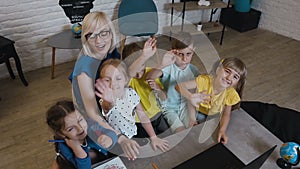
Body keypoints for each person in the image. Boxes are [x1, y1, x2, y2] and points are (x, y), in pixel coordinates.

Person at [71, 11, 157, 160]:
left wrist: (144, 56)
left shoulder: (111, 53)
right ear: (85, 38)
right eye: (91, 35)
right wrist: (120, 137)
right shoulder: (84, 68)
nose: (98, 41)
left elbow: (124, 76)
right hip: (97, 118)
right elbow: (92, 112)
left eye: (103, 33)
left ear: (111, 34)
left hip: (114, 107)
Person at [97, 58, 169, 152]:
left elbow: (143, 116)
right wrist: (109, 102)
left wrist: (154, 137)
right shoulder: (105, 99)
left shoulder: (131, 93)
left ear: (126, 79)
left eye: (118, 78)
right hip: (117, 141)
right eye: (107, 80)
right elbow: (106, 107)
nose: (113, 83)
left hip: (133, 135)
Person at [175, 57, 247, 144]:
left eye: (235, 77)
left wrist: (222, 130)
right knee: (186, 132)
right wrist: (192, 116)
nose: (229, 77)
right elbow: (179, 86)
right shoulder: (204, 81)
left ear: (238, 83)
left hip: (212, 116)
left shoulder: (230, 94)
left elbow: (225, 114)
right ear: (218, 70)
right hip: (194, 110)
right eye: (227, 71)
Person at [146, 31, 200, 133]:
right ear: (173, 52)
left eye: (188, 54)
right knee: (180, 131)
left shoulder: (194, 70)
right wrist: (162, 64)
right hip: (169, 107)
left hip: (186, 105)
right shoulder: (168, 67)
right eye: (181, 54)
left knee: (193, 128)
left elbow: (195, 91)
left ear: (194, 51)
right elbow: (149, 77)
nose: (184, 59)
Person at [46, 99, 117, 169]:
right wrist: (78, 150)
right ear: (61, 134)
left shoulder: (92, 125)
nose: (80, 128)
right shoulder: (64, 148)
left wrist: (110, 139)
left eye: (80, 120)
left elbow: (111, 132)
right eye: (71, 129)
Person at [123, 43, 170, 138]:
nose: (139, 75)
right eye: (136, 71)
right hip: (139, 121)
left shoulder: (151, 72)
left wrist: (158, 88)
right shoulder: (127, 78)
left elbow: (164, 98)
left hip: (157, 115)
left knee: (169, 137)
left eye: (142, 69)